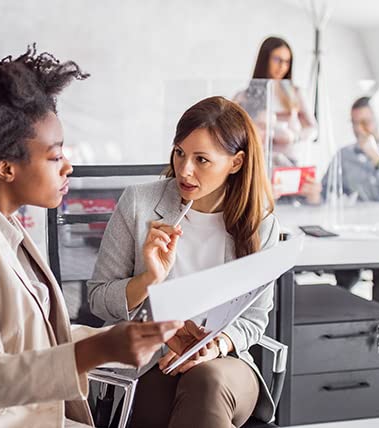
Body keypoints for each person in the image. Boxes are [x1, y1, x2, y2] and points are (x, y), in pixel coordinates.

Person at [0, 47, 183, 427]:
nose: (68, 166)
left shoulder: (1, 225)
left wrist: (135, 337)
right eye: (54, 156)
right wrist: (100, 348)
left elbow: (34, 339)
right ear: (6, 167)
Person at [88, 96, 281, 427]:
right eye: (180, 153)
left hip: (226, 365)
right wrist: (149, 278)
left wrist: (217, 345)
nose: (185, 169)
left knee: (206, 380)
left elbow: (253, 319)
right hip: (152, 362)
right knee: (191, 392)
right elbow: (99, 301)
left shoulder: (260, 223)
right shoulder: (140, 204)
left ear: (235, 163)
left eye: (202, 160)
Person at [236, 36, 321, 204]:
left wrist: (294, 136)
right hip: (259, 167)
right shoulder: (244, 96)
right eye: (277, 59)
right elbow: (235, 133)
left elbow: (313, 129)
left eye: (287, 61)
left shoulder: (295, 93)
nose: (282, 66)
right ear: (265, 59)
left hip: (290, 165)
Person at [322, 96, 379, 203]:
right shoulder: (344, 156)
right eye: (354, 123)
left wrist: (376, 157)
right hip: (362, 217)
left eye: (365, 122)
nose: (358, 129)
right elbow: (325, 193)